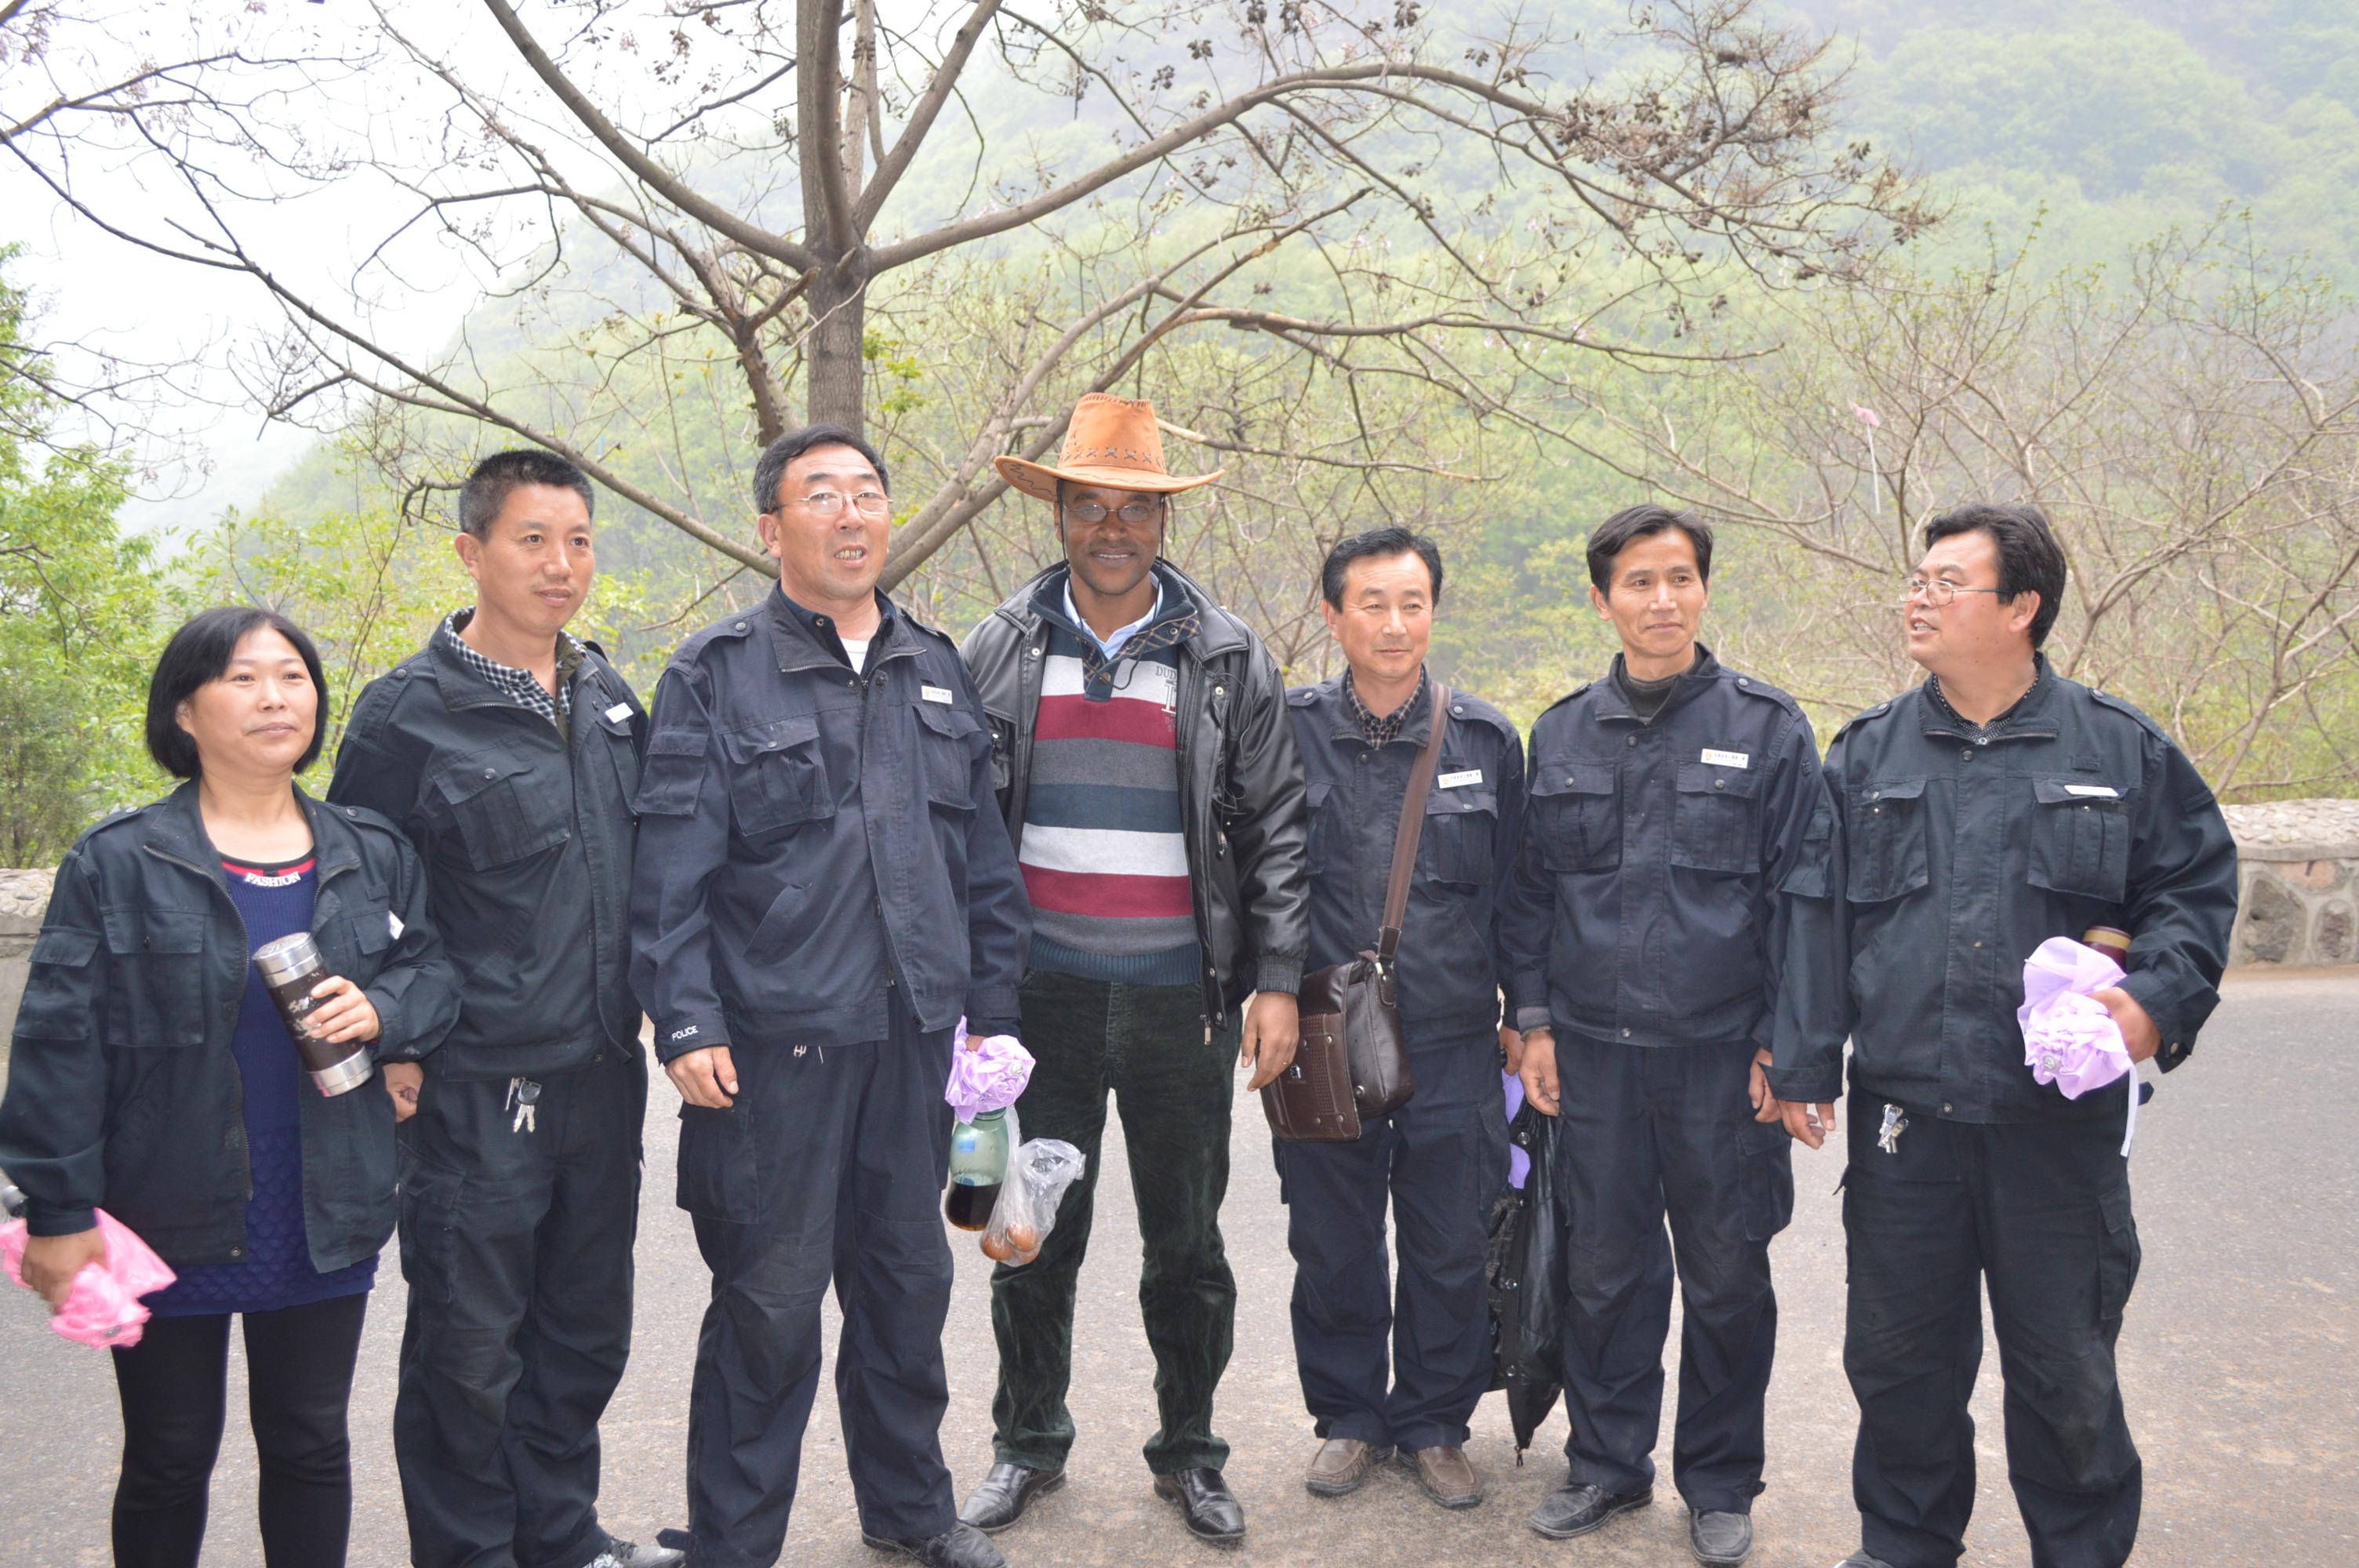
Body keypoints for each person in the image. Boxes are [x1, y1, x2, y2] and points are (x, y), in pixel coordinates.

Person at [1768, 503, 2238, 1568]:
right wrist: (1803, 1062)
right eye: (1916, 580)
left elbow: (2195, 891)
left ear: (2022, 607)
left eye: (1946, 583)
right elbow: (1817, 916)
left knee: (2064, 1368)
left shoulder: (2118, 750)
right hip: (1906, 1122)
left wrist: (2154, 999)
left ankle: (2078, 1552)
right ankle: (1903, 1543)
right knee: (1898, 1364)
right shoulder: (1869, 754)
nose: (1918, 599)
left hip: (2054, 1130)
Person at [629, 423, 1031, 1568]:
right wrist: (690, 1021)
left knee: (907, 1289)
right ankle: (734, 1541)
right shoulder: (715, 673)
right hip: (776, 1051)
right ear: (773, 529)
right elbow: (671, 878)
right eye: (821, 496)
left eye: (868, 494)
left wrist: (992, 1027)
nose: (851, 515)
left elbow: (985, 870)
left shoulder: (935, 668)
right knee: (767, 1307)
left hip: (914, 1047)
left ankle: (910, 1511)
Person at [0, 606, 460, 1568]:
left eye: (293, 676)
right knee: (170, 1453)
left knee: (310, 1441)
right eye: (244, 677)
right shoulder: (120, 860)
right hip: (170, 1204)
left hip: (323, 1198)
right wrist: (55, 1207)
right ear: (184, 710)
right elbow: (57, 1045)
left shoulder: (368, 849)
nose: (274, 697)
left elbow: (431, 972)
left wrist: (383, 1013)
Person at [954, 393, 1309, 1545]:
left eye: (1136, 510)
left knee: (1189, 1245)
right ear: (1058, 513)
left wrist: (1275, 981)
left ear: (1164, 522)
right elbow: (962, 827)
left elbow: (1275, 830)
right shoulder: (999, 648)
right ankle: (1026, 1444)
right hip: (1038, 998)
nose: (1114, 529)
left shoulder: (1223, 655)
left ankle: (1191, 1452)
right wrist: (975, 999)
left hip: (1180, 1000)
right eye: (1092, 507)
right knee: (1029, 1234)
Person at [327, 450, 674, 1568]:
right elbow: (360, 897)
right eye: (533, 540)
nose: (560, 565)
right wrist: (392, 1039)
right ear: (474, 551)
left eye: (577, 540)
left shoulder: (612, 697)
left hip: (600, 1071)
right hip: (473, 1083)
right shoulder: (405, 717)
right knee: (468, 1350)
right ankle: (471, 1552)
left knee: (583, 1332)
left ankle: (560, 1537)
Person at [1502, 505, 1823, 1567]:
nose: (1662, 600)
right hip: (1592, 1054)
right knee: (1605, 1270)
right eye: (1638, 582)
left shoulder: (1769, 729)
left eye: (1680, 578)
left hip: (1722, 1059)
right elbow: (1531, 899)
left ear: (1704, 589)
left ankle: (1721, 1481)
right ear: (1602, 599)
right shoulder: (1561, 733)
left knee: (1729, 1276)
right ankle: (1606, 1462)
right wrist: (1534, 1024)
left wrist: (1785, 1048)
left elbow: (1800, 901)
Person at [1277, 528, 1522, 1510]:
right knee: (1330, 1239)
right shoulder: (1284, 730)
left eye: (1411, 601)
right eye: (1370, 602)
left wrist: (1527, 1013)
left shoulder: (1485, 739)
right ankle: (1346, 1415)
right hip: (1322, 1038)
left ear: (1433, 610)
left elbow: (1521, 895)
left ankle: (1431, 1419)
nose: (1393, 622)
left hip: (1454, 1036)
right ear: (1333, 614)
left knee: (1449, 1239)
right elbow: (1254, 878)